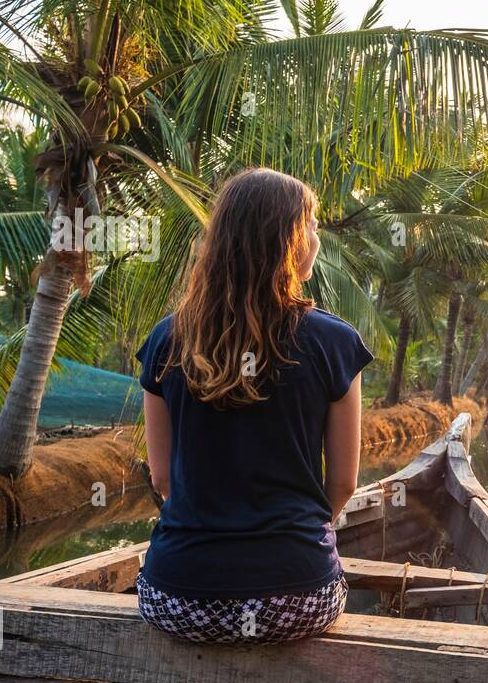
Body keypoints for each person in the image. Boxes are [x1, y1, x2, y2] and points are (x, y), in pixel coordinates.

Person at [134, 167, 373, 644]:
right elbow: (343, 484)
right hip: (299, 598)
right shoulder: (333, 341)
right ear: (287, 239)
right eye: (312, 225)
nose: (318, 238)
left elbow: (161, 479)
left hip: (179, 599)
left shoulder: (166, 340)